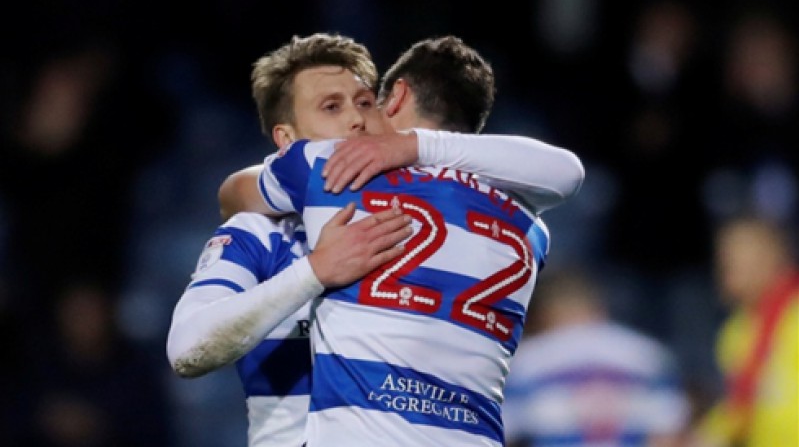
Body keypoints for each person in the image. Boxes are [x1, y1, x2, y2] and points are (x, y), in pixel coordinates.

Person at [253, 36, 584, 446]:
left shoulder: (331, 167)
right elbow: (568, 171)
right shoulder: (530, 227)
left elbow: (235, 192)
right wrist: (419, 147)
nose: (359, 119)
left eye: (368, 101)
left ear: (396, 97)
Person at [166, 33, 413, 447]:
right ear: (286, 140)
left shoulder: (421, 225)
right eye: (331, 107)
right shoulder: (260, 236)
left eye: (366, 103)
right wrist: (315, 272)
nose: (356, 119)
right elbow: (186, 350)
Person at [502, 268, 690, 447]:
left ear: (545, 314)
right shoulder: (648, 355)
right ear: (599, 307)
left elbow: (503, 434)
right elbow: (670, 434)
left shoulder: (528, 361)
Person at [691, 215, 799, 447]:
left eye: (738, 256)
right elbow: (740, 404)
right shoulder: (735, 331)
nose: (726, 266)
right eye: (724, 257)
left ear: (774, 256)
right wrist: (705, 435)